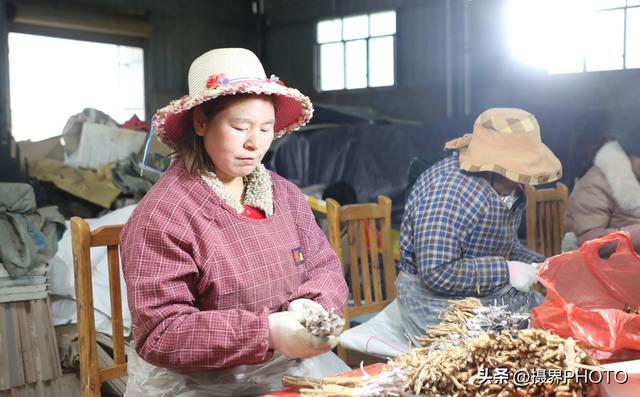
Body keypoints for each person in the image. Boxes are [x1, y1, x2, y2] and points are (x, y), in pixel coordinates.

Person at [120, 48, 349, 396]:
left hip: (285, 370)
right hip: (200, 385)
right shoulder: (163, 215)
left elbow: (324, 265)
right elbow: (161, 332)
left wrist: (314, 304)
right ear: (200, 122)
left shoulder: (284, 196)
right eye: (239, 126)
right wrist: (265, 332)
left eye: (266, 128)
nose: (254, 143)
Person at [396, 108, 563, 344]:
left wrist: (540, 265)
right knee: (497, 351)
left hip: (482, 291)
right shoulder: (448, 191)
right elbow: (436, 271)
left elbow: (502, 243)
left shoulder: (503, 186)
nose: (523, 179)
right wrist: (508, 271)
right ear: (492, 165)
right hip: (435, 302)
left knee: (551, 325)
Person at [564, 130, 640, 253]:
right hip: (611, 268)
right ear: (628, 153)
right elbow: (592, 242)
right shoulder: (595, 183)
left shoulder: (637, 175)